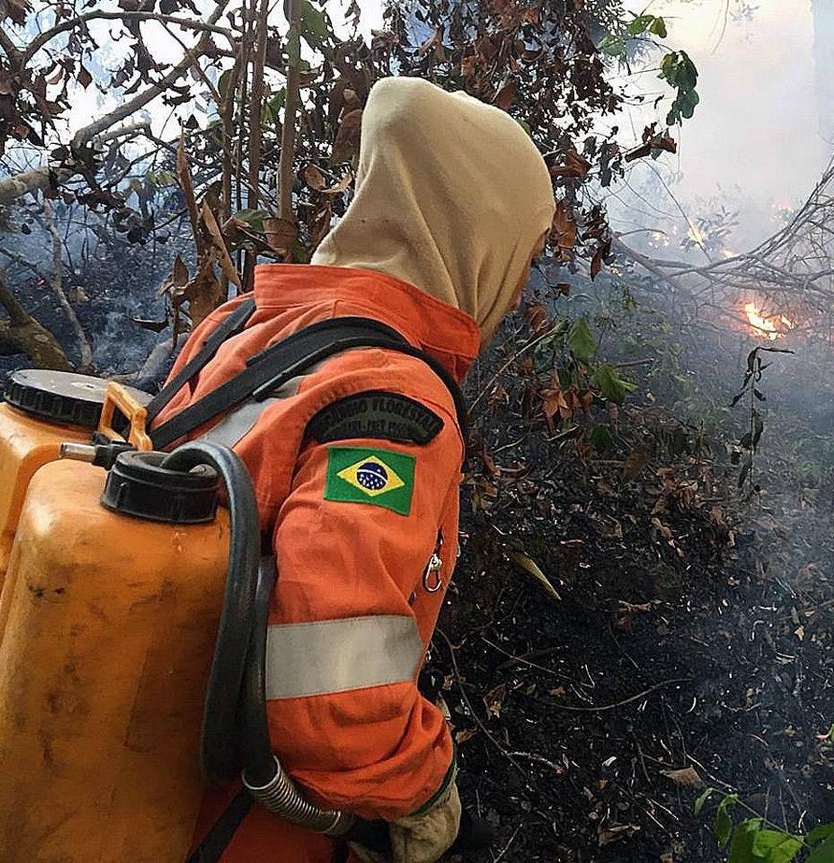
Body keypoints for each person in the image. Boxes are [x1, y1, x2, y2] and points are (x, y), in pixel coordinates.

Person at [152, 76, 555, 862]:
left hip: (128, 756)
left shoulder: (243, 324)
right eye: (523, 247)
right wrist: (430, 791)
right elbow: (326, 697)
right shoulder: (394, 398)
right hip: (224, 826)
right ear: (479, 233)